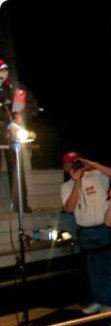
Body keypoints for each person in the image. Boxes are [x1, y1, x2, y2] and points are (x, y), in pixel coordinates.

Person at [60, 152, 111, 314]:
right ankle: (98, 299)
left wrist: (91, 163)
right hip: (85, 231)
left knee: (108, 265)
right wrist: (77, 183)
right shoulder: (66, 186)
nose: (73, 166)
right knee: (93, 267)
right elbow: (70, 208)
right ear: (65, 168)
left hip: (103, 227)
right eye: (70, 164)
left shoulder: (97, 175)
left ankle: (109, 301)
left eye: (76, 163)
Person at [0, 58, 38, 212]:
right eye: (1, 70)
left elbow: (32, 106)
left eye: (5, 69)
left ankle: (21, 203)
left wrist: (22, 117)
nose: (3, 72)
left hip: (14, 134)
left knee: (17, 168)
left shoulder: (16, 88)